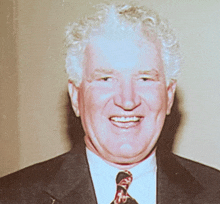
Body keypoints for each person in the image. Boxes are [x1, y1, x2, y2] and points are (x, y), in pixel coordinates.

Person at [0, 3, 220, 204]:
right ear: (76, 97)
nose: (127, 100)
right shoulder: (11, 196)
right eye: (106, 79)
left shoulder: (215, 192)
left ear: (169, 96)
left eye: (144, 79)